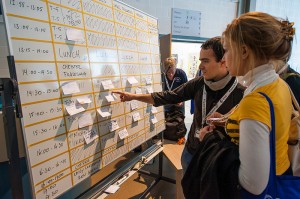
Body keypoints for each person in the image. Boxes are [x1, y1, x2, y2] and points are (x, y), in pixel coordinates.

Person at [113, 36, 245, 172]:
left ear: (223, 61)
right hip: (192, 151)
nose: (200, 66)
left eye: (205, 61)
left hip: (217, 159)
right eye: (200, 61)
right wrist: (133, 96)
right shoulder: (198, 83)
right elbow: (167, 96)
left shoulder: (241, 94)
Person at [200, 12, 295, 196]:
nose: (224, 58)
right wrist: (229, 122)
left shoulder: (255, 100)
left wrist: (211, 142)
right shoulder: (277, 84)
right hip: (281, 173)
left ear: (244, 51)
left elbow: (252, 183)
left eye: (226, 50)